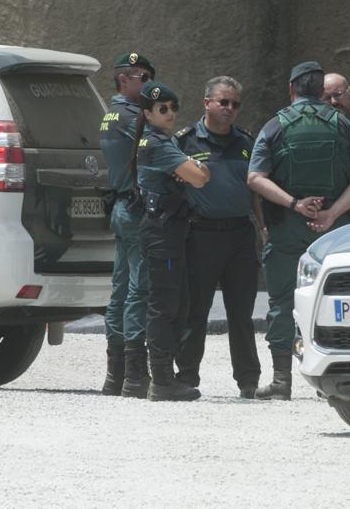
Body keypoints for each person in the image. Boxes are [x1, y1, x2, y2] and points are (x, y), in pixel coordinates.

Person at [247, 61, 350, 400]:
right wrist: (331, 214)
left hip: (287, 228)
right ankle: (333, 382)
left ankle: (281, 380)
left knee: (282, 301)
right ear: (321, 91)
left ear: (291, 89)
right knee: (335, 300)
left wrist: (294, 204)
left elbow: (255, 178)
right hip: (334, 232)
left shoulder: (274, 126)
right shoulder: (344, 126)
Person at [174, 76, 264, 398]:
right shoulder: (186, 142)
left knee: (241, 313)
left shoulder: (246, 143)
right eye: (223, 102)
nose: (229, 109)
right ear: (207, 103)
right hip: (201, 235)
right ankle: (186, 376)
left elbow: (255, 191)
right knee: (195, 310)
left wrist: (263, 229)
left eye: (235, 104)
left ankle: (248, 380)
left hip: (239, 236)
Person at [133, 80, 211, 401]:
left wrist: (190, 167)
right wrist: (194, 167)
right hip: (162, 232)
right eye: (162, 109)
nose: (170, 113)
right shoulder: (158, 144)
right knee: (164, 305)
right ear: (148, 114)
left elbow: (195, 173)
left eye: (173, 108)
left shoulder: (162, 142)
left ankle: (164, 377)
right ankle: (162, 380)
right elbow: (201, 178)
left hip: (168, 231)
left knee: (176, 303)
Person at [98, 52, 156, 397]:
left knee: (120, 289)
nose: (149, 84)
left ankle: (115, 375)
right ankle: (134, 374)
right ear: (123, 79)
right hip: (135, 209)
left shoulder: (110, 114)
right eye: (142, 77)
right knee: (138, 289)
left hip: (122, 206)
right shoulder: (131, 117)